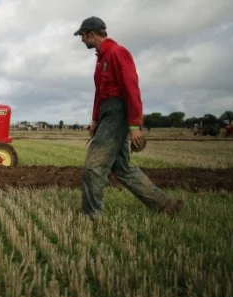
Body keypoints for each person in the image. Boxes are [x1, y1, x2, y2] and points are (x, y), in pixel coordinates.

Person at [74, 16, 183, 220]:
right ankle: (165, 205)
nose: (81, 40)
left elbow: (131, 89)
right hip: (107, 112)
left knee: (93, 165)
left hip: (118, 112)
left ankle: (91, 216)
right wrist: (95, 121)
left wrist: (135, 124)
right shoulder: (101, 61)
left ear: (91, 33)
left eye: (82, 35)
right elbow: (99, 94)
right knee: (122, 168)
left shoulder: (118, 53)